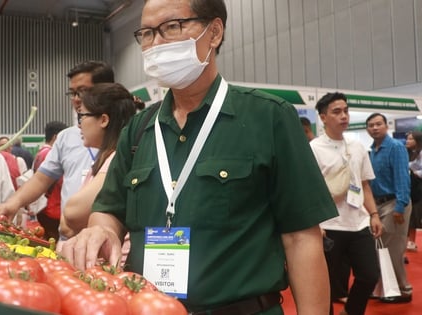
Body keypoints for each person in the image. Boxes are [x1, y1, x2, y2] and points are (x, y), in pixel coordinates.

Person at [60, 1, 338, 314]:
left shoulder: (268, 118)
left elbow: (301, 239)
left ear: (214, 32)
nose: (155, 44)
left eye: (171, 27)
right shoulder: (139, 129)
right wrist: (102, 230)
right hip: (146, 307)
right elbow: (109, 208)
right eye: (147, 34)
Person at [0, 61, 114, 238]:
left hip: (110, 240)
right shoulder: (67, 137)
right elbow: (41, 179)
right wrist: (13, 203)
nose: (76, 99)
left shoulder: (129, 137)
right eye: (72, 93)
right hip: (69, 241)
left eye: (83, 91)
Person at [309, 92, 382, 315]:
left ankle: (351, 311)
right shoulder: (314, 148)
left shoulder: (357, 146)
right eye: (336, 112)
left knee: (369, 275)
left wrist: (374, 214)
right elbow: (308, 192)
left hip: (358, 223)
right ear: (323, 117)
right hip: (329, 226)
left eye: (346, 110)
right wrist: (315, 225)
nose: (344, 116)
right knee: (329, 284)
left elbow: (364, 185)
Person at [60, 83, 137, 238]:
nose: (79, 125)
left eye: (82, 116)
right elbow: (65, 225)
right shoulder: (105, 160)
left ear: (103, 120)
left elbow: (72, 213)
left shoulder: (115, 160)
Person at [365, 113, 413, 303]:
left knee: (393, 249)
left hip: (395, 203)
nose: (374, 128)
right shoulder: (372, 150)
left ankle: (403, 289)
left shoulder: (395, 147)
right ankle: (383, 288)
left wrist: (400, 206)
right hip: (378, 204)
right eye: (371, 125)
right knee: (380, 248)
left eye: (378, 124)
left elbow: (403, 177)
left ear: (386, 126)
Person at [32, 121, 68, 241]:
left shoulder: (40, 153)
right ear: (56, 137)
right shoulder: (50, 154)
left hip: (44, 207)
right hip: (52, 207)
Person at [405, 131, 422, 252]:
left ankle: (412, 240)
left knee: (415, 216)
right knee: (408, 216)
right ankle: (407, 241)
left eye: (411, 139)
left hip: (418, 188)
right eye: (407, 139)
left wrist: (416, 172)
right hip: (407, 187)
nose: (408, 141)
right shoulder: (405, 153)